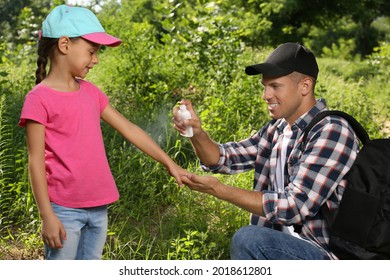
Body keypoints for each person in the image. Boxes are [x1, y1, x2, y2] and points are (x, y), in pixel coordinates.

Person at [19, 4, 189, 260]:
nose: (95, 59)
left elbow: (129, 128)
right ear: (64, 45)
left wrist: (169, 163)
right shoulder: (39, 98)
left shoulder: (91, 93)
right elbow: (35, 161)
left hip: (99, 209)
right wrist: (47, 216)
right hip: (64, 210)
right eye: (91, 51)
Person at [173, 42, 359, 260]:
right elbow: (223, 159)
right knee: (253, 239)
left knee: (249, 239)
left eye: (275, 86)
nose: (265, 95)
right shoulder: (276, 130)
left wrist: (218, 190)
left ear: (305, 86)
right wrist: (196, 133)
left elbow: (294, 206)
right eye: (265, 86)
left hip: (324, 255)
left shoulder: (332, 130)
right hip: (284, 247)